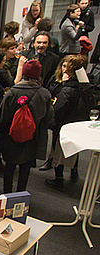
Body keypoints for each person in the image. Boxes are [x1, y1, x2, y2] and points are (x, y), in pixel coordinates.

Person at [0, 60, 53, 193]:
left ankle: (6, 195)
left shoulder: (12, 92)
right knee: (25, 169)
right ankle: (20, 197)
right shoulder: (44, 94)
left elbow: (2, 118)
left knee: (9, 168)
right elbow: (49, 119)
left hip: (11, 137)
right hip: (32, 139)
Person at [45, 55, 89, 189]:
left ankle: (58, 180)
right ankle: (74, 173)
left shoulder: (67, 90)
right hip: (77, 123)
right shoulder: (85, 87)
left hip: (63, 124)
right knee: (74, 150)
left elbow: (58, 109)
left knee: (59, 152)